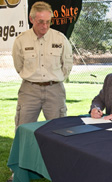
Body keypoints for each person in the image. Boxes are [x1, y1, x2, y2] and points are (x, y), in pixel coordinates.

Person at [12, 1, 73, 129]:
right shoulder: (21, 40)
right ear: (31, 19)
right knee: (22, 129)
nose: (45, 26)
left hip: (54, 90)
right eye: (40, 22)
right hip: (29, 90)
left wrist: (55, 78)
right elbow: (19, 65)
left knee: (59, 130)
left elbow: (67, 65)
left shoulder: (60, 39)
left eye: (48, 21)